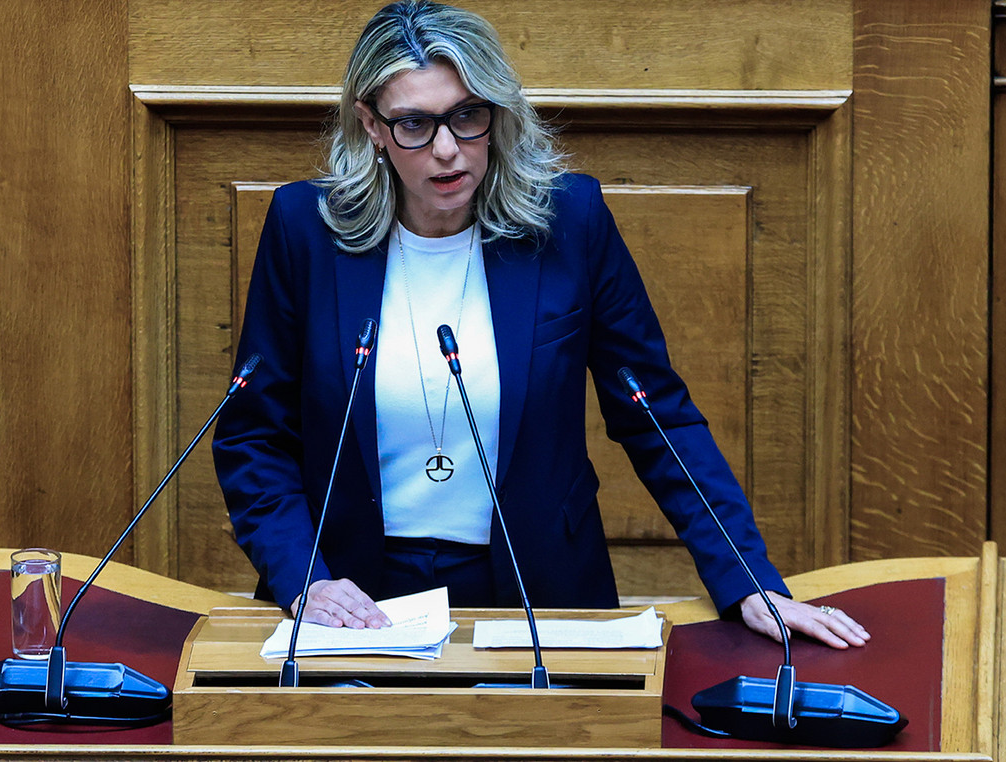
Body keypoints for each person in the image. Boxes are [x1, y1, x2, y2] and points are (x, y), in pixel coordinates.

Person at [212, 0, 868, 649]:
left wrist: (746, 578)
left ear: (497, 112)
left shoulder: (569, 222)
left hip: (541, 587)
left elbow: (656, 414)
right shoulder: (306, 231)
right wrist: (304, 579)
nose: (448, 150)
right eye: (414, 124)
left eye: (468, 116)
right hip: (353, 597)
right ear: (371, 125)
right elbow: (253, 434)